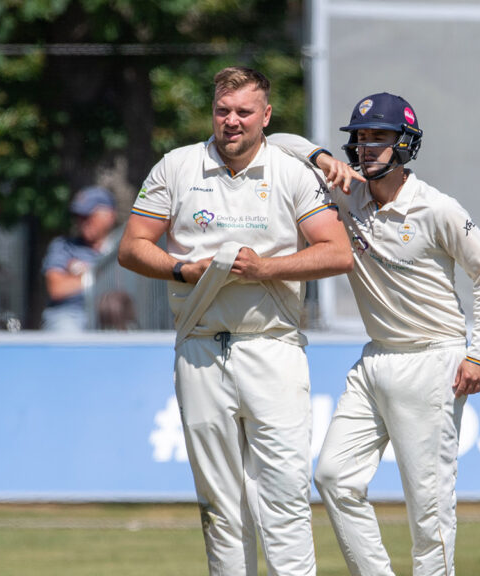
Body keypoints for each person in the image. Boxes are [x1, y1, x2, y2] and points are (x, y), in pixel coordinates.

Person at [117, 66, 353, 576]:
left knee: (286, 498)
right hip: (200, 346)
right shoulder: (177, 166)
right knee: (219, 506)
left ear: (265, 116)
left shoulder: (291, 171)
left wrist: (265, 268)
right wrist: (181, 269)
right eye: (223, 110)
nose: (232, 121)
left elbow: (338, 252)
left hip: (273, 347)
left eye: (244, 111)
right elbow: (132, 246)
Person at [271, 92, 480, 576]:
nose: (365, 147)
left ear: (405, 144)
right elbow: (275, 142)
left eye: (378, 137)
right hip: (375, 359)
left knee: (428, 507)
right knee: (333, 477)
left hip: (433, 360)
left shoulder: (437, 208)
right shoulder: (346, 193)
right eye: (359, 138)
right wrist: (322, 158)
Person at [41, 186, 117, 332]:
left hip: (111, 315)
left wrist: (78, 276)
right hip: (70, 313)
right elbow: (57, 288)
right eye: (78, 216)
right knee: (66, 331)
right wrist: (97, 277)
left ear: (109, 216)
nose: (82, 222)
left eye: (88, 216)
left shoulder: (121, 249)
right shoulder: (63, 246)